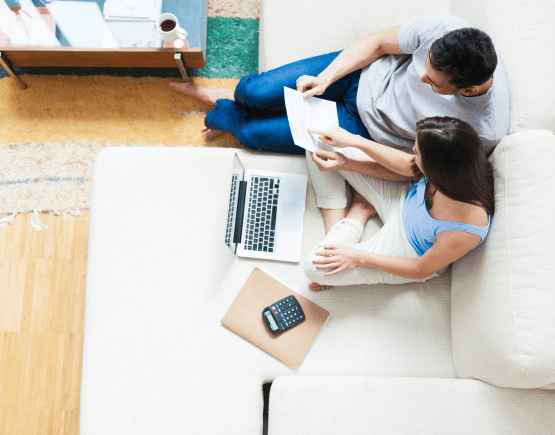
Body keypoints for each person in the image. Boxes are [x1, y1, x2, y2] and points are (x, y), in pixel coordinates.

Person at [169, 15, 509, 156]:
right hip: (357, 76)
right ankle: (233, 98)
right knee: (253, 93)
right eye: (425, 66)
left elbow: (414, 168)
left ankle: (223, 109)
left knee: (253, 136)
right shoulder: (446, 30)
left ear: (467, 90)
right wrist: (326, 78)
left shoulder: (480, 131)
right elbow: (376, 44)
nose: (420, 77)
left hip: (361, 129)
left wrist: (352, 152)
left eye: (432, 83)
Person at [303, 116, 494, 290]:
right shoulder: (459, 165)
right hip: (403, 198)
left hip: (406, 249)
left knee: (313, 268)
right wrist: (347, 158)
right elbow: (407, 168)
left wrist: (359, 257)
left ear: (437, 169)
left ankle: (358, 212)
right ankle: (346, 223)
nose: (413, 153)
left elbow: (421, 269)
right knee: (319, 143)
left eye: (417, 153)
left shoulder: (467, 227)